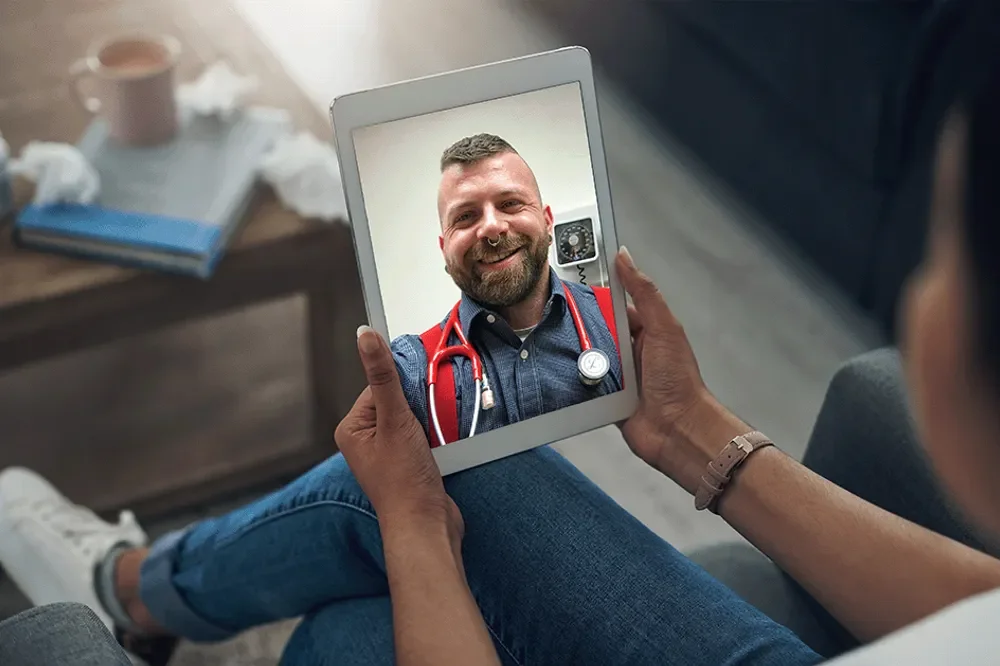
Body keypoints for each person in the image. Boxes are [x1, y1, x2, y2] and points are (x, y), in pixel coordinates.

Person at [3, 2, 1000, 663]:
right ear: (438, 247)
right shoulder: (439, 357)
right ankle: (138, 592)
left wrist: (411, 528)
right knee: (351, 636)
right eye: (463, 216)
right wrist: (689, 428)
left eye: (946, 249)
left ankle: (127, 590)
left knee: (441, 478)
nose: (489, 227)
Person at [391, 132, 623, 447]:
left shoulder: (623, 320)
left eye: (510, 203)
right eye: (465, 217)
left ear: (547, 221)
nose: (491, 227)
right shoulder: (410, 373)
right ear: (444, 249)